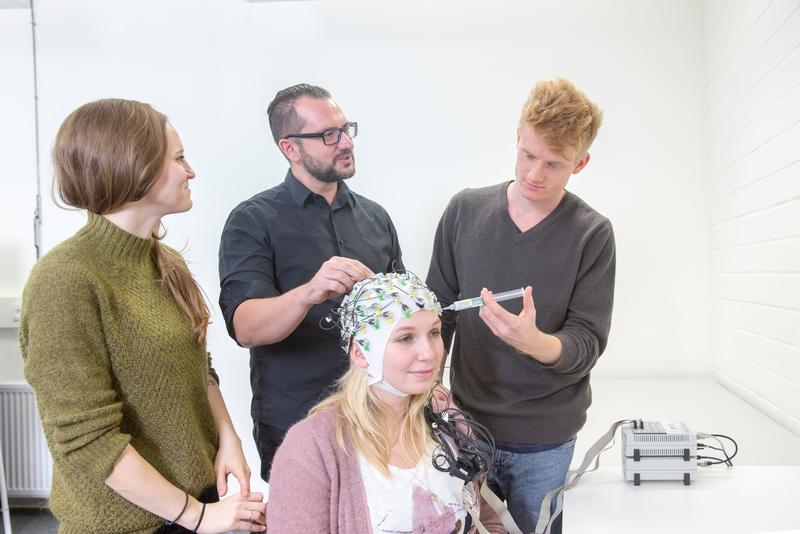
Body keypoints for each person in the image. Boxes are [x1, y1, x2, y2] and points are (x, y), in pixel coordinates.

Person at [19, 99, 266, 533]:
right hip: (131, 524)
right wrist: (198, 516)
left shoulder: (166, 261)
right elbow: (89, 441)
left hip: (192, 505)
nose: (191, 171)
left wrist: (229, 441)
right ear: (135, 166)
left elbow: (199, 370)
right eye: (180, 158)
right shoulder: (64, 281)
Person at [426, 77, 615, 533]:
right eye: (529, 155)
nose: (534, 173)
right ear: (517, 136)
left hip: (545, 441)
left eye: (554, 164)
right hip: (466, 429)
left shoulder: (592, 234)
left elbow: (587, 341)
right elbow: (437, 316)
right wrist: (428, 394)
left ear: (581, 162)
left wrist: (534, 343)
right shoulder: (464, 212)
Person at [218, 83, 403, 481]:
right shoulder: (252, 221)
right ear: (289, 148)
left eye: (345, 129)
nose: (344, 142)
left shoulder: (376, 218)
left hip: (375, 421)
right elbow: (246, 327)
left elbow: (401, 320)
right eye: (327, 135)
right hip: (295, 423)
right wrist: (309, 293)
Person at [267, 272, 505, 533]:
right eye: (405, 338)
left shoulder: (443, 414)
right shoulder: (311, 448)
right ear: (360, 353)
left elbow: (482, 514)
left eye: (434, 332)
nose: (430, 353)